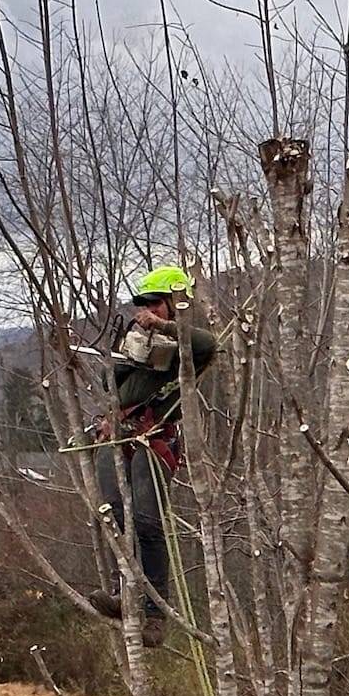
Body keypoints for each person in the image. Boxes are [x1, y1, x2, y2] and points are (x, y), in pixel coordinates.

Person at [85, 266, 216, 626]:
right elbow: (109, 379)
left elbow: (207, 344)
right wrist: (128, 357)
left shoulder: (186, 345)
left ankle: (155, 615)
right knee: (112, 514)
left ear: (174, 304)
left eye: (155, 304)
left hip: (153, 436)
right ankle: (121, 594)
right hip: (118, 435)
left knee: (146, 521)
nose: (147, 311)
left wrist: (162, 328)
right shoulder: (135, 339)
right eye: (143, 305)